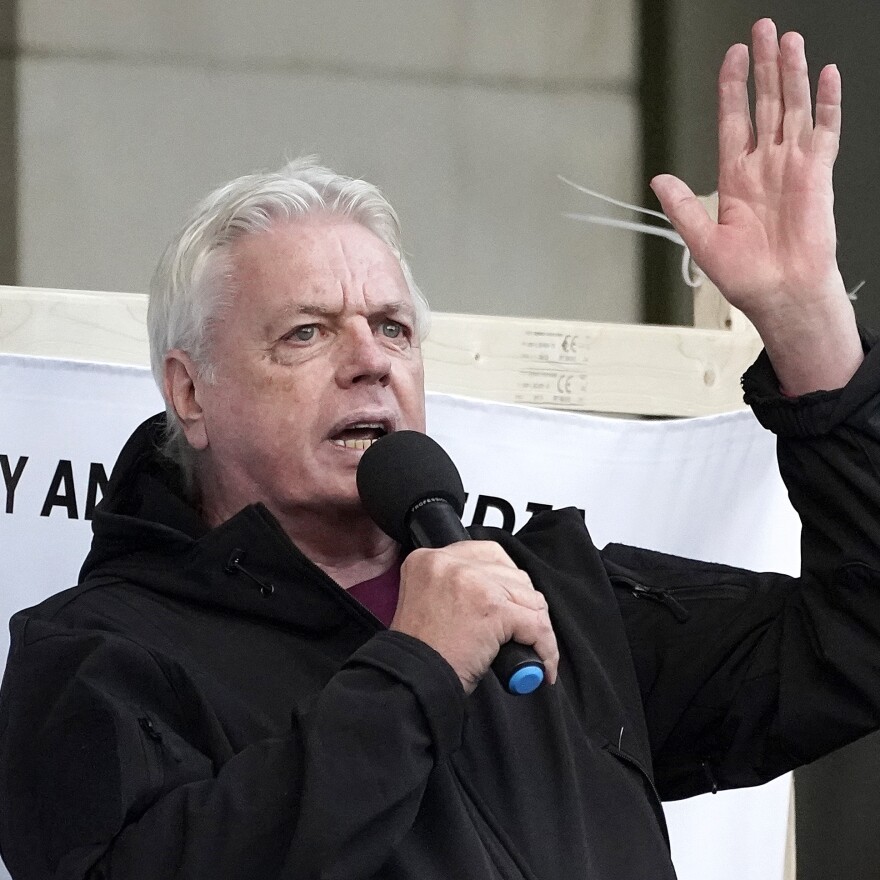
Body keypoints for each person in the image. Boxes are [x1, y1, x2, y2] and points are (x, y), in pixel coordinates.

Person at [1, 17, 879, 880]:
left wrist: (807, 328)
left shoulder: (554, 607)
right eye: (307, 333)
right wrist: (417, 669)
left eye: (393, 328)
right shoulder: (98, 657)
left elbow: (856, 640)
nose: (371, 361)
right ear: (191, 393)